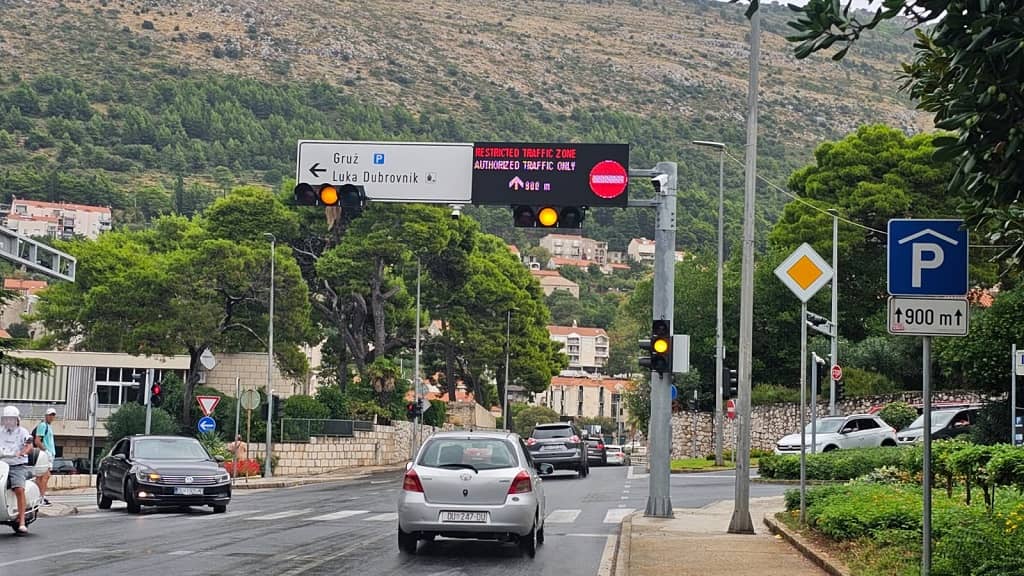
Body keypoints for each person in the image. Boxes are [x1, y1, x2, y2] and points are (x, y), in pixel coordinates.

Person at [1, 406, 34, 534]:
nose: (9, 421)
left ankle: (21, 521)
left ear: (17, 420)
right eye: (6, 419)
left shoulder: (23, 432)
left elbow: (29, 445)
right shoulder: (0, 432)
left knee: (19, 489)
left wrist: (23, 452)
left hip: (17, 465)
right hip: (2, 465)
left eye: (11, 419)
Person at [33, 408, 56, 506]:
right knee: (45, 476)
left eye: (53, 415)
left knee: (41, 477)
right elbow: (37, 441)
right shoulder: (43, 425)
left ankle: (39, 496)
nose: (52, 417)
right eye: (50, 415)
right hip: (45, 454)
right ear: (46, 415)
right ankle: (41, 497)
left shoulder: (48, 427)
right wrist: (45, 451)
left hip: (49, 454)